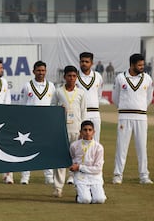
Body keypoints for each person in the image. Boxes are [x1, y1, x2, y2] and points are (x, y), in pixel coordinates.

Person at [112, 53, 154, 185]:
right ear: (132, 64)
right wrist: (125, 108)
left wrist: (140, 108)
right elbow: (115, 98)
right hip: (124, 116)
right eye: (139, 65)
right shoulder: (120, 78)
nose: (142, 67)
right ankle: (118, 175)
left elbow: (149, 98)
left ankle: (144, 175)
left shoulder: (147, 78)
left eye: (143, 64)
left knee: (142, 147)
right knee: (121, 147)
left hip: (141, 117)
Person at [51, 65, 86, 197]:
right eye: (69, 76)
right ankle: (58, 188)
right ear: (64, 77)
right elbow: (52, 110)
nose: (71, 78)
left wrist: (83, 131)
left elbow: (83, 113)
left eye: (74, 76)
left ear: (77, 77)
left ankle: (79, 187)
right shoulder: (58, 92)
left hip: (76, 131)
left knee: (77, 160)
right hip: (62, 131)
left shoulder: (81, 93)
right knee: (60, 159)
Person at [69, 52, 103, 185]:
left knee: (95, 144)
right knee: (77, 144)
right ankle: (72, 174)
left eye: (87, 61)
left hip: (95, 113)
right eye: (82, 61)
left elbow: (98, 95)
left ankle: (97, 175)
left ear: (92, 63)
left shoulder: (98, 76)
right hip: (80, 114)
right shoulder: (75, 77)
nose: (84, 64)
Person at [19, 61, 55, 185]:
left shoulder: (51, 86)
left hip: (46, 122)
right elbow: (22, 105)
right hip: (30, 122)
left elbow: (53, 104)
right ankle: (25, 176)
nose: (41, 73)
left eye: (43, 70)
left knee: (47, 149)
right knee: (27, 148)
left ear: (46, 71)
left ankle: (49, 176)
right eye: (38, 70)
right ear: (34, 71)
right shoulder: (27, 86)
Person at [69, 120, 106, 204]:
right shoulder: (74, 145)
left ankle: (93, 193)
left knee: (99, 200)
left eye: (90, 130)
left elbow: (98, 168)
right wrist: (74, 168)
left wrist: (80, 167)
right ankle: (80, 195)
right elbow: (72, 159)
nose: (87, 132)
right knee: (85, 200)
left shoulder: (98, 147)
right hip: (80, 176)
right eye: (85, 130)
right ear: (80, 132)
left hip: (95, 176)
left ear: (94, 132)